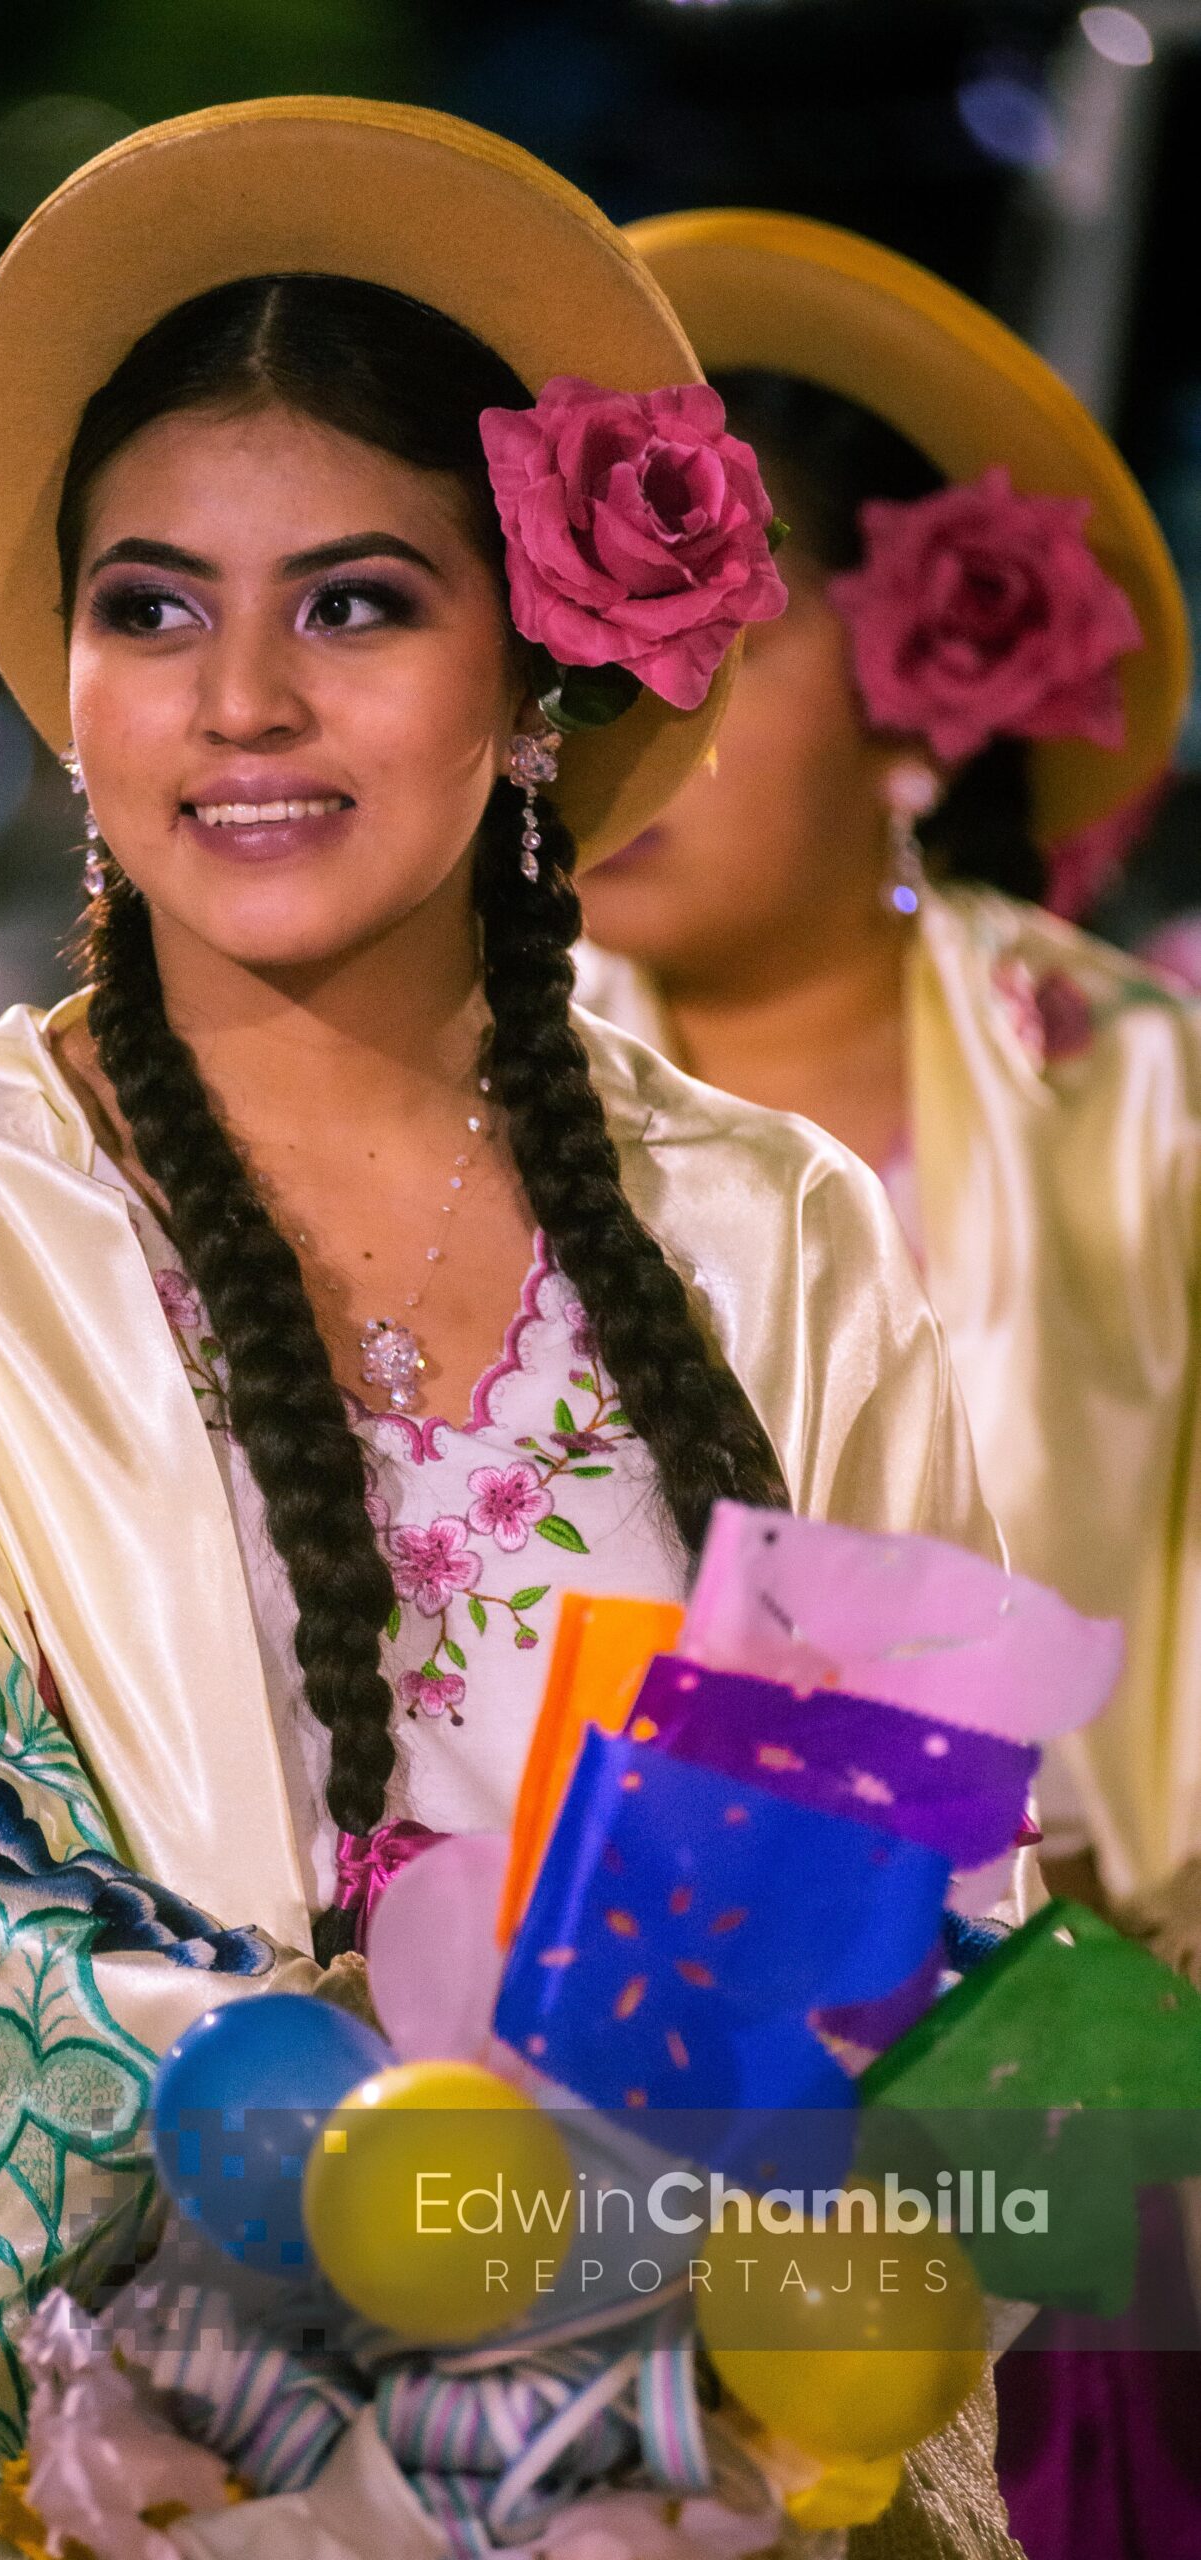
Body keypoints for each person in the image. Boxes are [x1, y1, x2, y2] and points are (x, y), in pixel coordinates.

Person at [0, 111, 1009, 2559]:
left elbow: (947, 1945)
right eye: (153, 606)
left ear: (532, 668)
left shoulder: (780, 1239)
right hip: (168, 2480)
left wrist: (753, 2371)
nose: (240, 700)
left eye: (354, 604)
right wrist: (378, 2220)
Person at [571, 210, 1201, 2560]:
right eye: (585, 655)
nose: (633, 721)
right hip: (573, 2138)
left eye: (714, 647)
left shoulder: (1136, 1098)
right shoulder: (460, 1111)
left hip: (1108, 2136)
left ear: (924, 673)